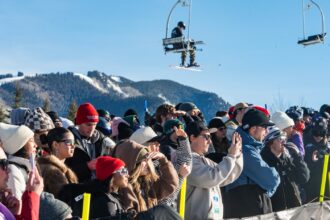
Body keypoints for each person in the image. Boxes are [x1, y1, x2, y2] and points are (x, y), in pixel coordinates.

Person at [225, 108, 280, 218]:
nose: (267, 131)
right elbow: (272, 180)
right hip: (249, 210)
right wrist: (264, 191)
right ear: (253, 129)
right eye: (265, 128)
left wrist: (264, 193)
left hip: (249, 208)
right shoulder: (246, 150)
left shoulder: (248, 148)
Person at [184, 121, 243, 220]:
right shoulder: (186, 160)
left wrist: (237, 154)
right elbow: (212, 178)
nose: (210, 141)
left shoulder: (206, 161)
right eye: (206, 137)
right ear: (192, 137)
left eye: (210, 137)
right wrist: (231, 156)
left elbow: (227, 176)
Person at [261, 126, 310, 212]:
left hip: (294, 210)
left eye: (284, 138)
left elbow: (304, 177)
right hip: (275, 213)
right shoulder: (264, 162)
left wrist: (297, 156)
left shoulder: (287, 158)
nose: (284, 141)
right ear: (270, 142)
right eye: (280, 138)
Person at [65, 103, 116, 183]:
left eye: (95, 124)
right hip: (76, 189)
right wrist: (87, 166)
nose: (92, 128)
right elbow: (63, 172)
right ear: (79, 123)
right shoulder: (67, 141)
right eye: (88, 124)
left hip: (99, 189)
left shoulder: (103, 141)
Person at [37, 127, 78, 198]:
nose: (73, 146)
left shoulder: (56, 167)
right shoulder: (51, 171)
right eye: (69, 142)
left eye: (74, 142)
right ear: (55, 144)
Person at [304, 116, 330, 202]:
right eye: (315, 133)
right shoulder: (306, 145)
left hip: (327, 191)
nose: (318, 136)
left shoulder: (328, 147)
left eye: (321, 133)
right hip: (311, 192)